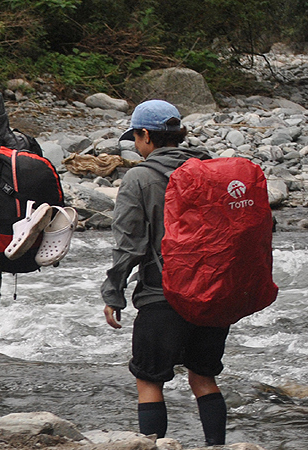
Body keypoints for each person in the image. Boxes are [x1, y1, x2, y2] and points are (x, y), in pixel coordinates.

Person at [101, 100, 227, 445]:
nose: (135, 145)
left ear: (145, 136)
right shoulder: (210, 169)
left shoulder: (139, 177)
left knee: (149, 379)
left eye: (136, 137)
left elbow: (129, 245)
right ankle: (217, 445)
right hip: (213, 294)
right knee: (203, 376)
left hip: (163, 295)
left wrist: (113, 293)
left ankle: (153, 445)